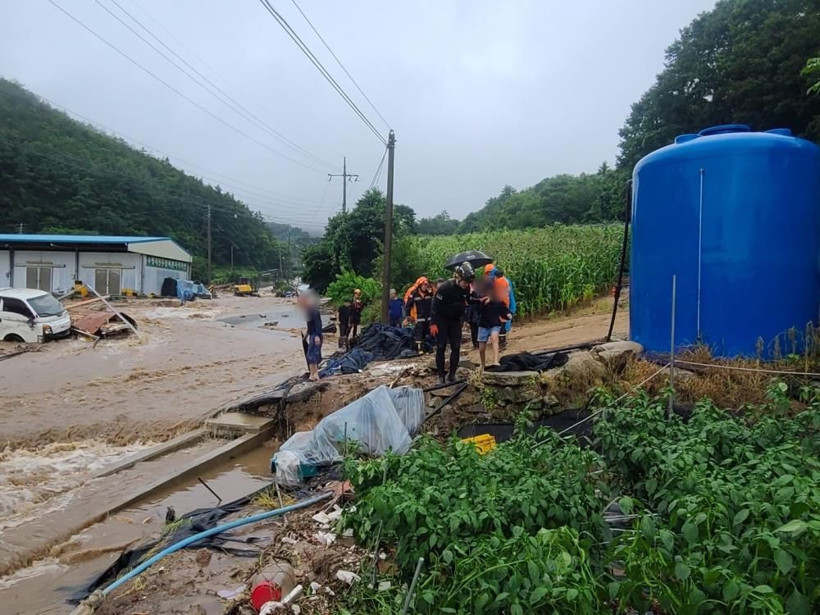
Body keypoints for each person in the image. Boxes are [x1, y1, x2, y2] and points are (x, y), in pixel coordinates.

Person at [431, 262, 474, 384]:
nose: (466, 285)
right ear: (458, 278)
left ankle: (452, 375)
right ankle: (441, 376)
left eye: (468, 283)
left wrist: (479, 301)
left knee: (456, 347)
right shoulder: (445, 288)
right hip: (442, 319)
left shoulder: (466, 288)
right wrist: (433, 323)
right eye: (465, 282)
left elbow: (468, 302)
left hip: (455, 320)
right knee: (441, 346)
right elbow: (435, 305)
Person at [477, 284, 512, 371]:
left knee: (494, 338)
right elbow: (477, 311)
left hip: (495, 323)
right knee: (481, 348)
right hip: (483, 325)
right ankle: (482, 363)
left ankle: (495, 361)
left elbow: (503, 310)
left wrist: (508, 315)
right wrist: (483, 304)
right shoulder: (481, 299)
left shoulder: (497, 300)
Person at [299, 292, 323, 382]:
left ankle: (315, 375)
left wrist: (317, 336)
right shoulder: (308, 312)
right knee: (310, 355)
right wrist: (306, 336)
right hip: (312, 334)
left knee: (313, 355)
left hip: (316, 335)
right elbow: (310, 326)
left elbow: (318, 324)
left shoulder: (314, 311)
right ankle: (312, 374)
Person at [405, 278, 433, 353]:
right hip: (419, 318)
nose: (425, 287)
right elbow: (408, 305)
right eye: (423, 285)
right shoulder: (414, 293)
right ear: (420, 285)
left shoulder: (429, 293)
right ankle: (419, 349)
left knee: (425, 334)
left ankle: (424, 348)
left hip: (428, 318)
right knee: (419, 334)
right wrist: (408, 315)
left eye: (426, 285)